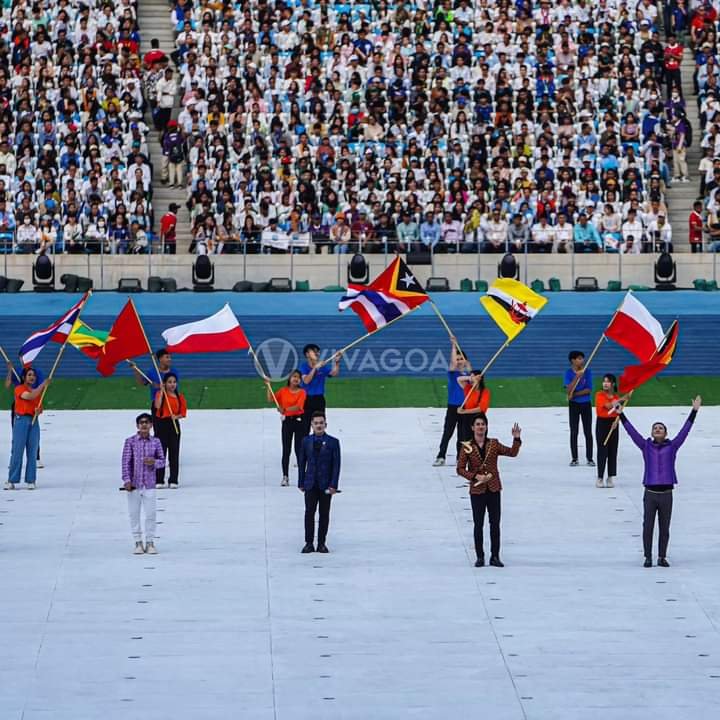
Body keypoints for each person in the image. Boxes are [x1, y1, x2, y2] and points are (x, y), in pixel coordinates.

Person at [618, 396, 701, 568]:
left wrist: (694, 411)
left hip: (666, 494)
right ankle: (648, 557)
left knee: (665, 528)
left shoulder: (673, 446)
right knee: (648, 526)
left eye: (660, 428)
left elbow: (685, 431)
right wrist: (621, 415)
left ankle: (662, 556)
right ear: (651, 432)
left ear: (665, 433)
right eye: (655, 428)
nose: (657, 430)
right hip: (650, 494)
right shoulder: (645, 446)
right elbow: (632, 432)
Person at [456, 413, 522, 567]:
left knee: (495, 523)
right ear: (472, 427)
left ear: (486, 427)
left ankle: (495, 556)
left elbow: (512, 452)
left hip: (493, 489)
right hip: (477, 491)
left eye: (483, 424)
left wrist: (516, 439)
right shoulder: (467, 447)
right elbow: (460, 469)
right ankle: (480, 556)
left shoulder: (494, 443)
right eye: (478, 424)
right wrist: (475, 477)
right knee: (478, 524)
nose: (480, 427)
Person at [121, 413, 166, 555]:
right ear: (137, 425)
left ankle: (150, 542)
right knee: (134, 514)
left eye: (147, 422)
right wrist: (127, 480)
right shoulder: (130, 442)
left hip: (150, 484)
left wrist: (154, 462)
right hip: (134, 485)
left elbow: (163, 461)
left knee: (151, 514)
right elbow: (125, 462)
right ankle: (138, 542)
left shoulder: (156, 442)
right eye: (141, 423)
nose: (144, 425)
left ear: (151, 425)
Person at [133, 349, 179, 484]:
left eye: (170, 357)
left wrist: (161, 386)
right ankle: (159, 477)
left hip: (170, 405)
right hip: (158, 405)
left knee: (173, 437)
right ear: (159, 359)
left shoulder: (173, 372)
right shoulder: (152, 372)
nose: (169, 359)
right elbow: (142, 382)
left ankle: (173, 477)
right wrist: (135, 369)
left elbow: (173, 387)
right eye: (167, 357)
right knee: (160, 437)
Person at [298, 412, 341, 554]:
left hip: (325, 484)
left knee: (324, 514)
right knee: (309, 513)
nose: (319, 425)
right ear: (312, 425)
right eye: (316, 423)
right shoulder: (305, 441)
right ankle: (309, 543)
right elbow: (302, 462)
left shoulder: (333, 442)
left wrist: (334, 484)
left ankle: (322, 543)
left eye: (321, 423)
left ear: (325, 424)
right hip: (310, 483)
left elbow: (336, 465)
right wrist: (301, 482)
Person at [5, 368, 47, 490]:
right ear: (24, 377)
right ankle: (12, 480)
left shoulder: (36, 392)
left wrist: (38, 411)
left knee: (32, 451)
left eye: (33, 375)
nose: (32, 377)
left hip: (33, 421)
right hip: (21, 421)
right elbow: (29, 397)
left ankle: (31, 480)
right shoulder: (19, 389)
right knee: (17, 451)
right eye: (29, 375)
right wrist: (43, 385)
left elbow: (39, 407)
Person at [433, 338, 472, 466]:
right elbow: (453, 362)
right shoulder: (452, 372)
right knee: (448, 432)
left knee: (463, 434)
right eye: (458, 359)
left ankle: (459, 458)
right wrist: (454, 345)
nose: (459, 361)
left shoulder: (469, 373)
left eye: (462, 359)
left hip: (465, 407)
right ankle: (441, 456)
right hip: (453, 407)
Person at [268, 370, 307, 486]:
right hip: (287, 423)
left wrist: (285, 410)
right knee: (286, 450)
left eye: (298, 377)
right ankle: (285, 477)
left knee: (298, 449)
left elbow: (299, 406)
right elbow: (271, 399)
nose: (296, 379)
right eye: (294, 377)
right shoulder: (283, 391)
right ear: (289, 379)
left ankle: (302, 477)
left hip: (299, 422)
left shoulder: (302, 392)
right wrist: (268, 386)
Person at [299, 344, 342, 436]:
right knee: (305, 426)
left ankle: (319, 446)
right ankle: (304, 449)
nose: (317, 353)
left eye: (317, 351)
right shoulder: (303, 367)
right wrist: (315, 368)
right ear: (307, 354)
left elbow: (333, 373)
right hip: (306, 400)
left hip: (319, 399)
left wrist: (337, 363)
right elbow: (306, 380)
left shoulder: (322, 367)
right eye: (313, 351)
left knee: (319, 425)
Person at [153, 373, 187, 488]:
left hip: (174, 425)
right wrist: (162, 392)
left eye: (174, 382)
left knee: (174, 453)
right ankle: (159, 479)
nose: (172, 384)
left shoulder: (180, 396)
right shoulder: (160, 394)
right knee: (160, 452)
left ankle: (173, 479)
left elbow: (183, 413)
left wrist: (176, 417)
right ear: (165, 383)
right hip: (162, 425)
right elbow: (157, 406)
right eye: (169, 382)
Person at [595, 374, 627, 489]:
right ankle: (600, 477)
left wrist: (617, 420)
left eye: (608, 382)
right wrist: (621, 399)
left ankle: (610, 476)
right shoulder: (599, 395)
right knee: (602, 449)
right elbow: (608, 406)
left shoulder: (615, 396)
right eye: (604, 381)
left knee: (613, 450)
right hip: (602, 423)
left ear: (613, 384)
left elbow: (618, 411)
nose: (605, 384)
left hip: (613, 424)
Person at [564, 351, 594, 467]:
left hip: (585, 403)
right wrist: (577, 377)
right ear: (573, 360)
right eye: (579, 359)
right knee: (574, 431)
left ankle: (590, 458)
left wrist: (575, 394)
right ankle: (574, 458)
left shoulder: (588, 372)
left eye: (582, 358)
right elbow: (569, 389)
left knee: (588, 431)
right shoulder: (568, 373)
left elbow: (589, 389)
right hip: (574, 405)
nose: (582, 361)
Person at [457, 371, 491, 442]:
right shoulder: (468, 388)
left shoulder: (485, 392)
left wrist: (464, 411)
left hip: (478, 419)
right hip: (467, 419)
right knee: (466, 440)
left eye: (473, 377)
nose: (471, 380)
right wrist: (471, 378)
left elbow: (481, 409)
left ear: (479, 379)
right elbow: (459, 379)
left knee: (479, 441)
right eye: (471, 377)